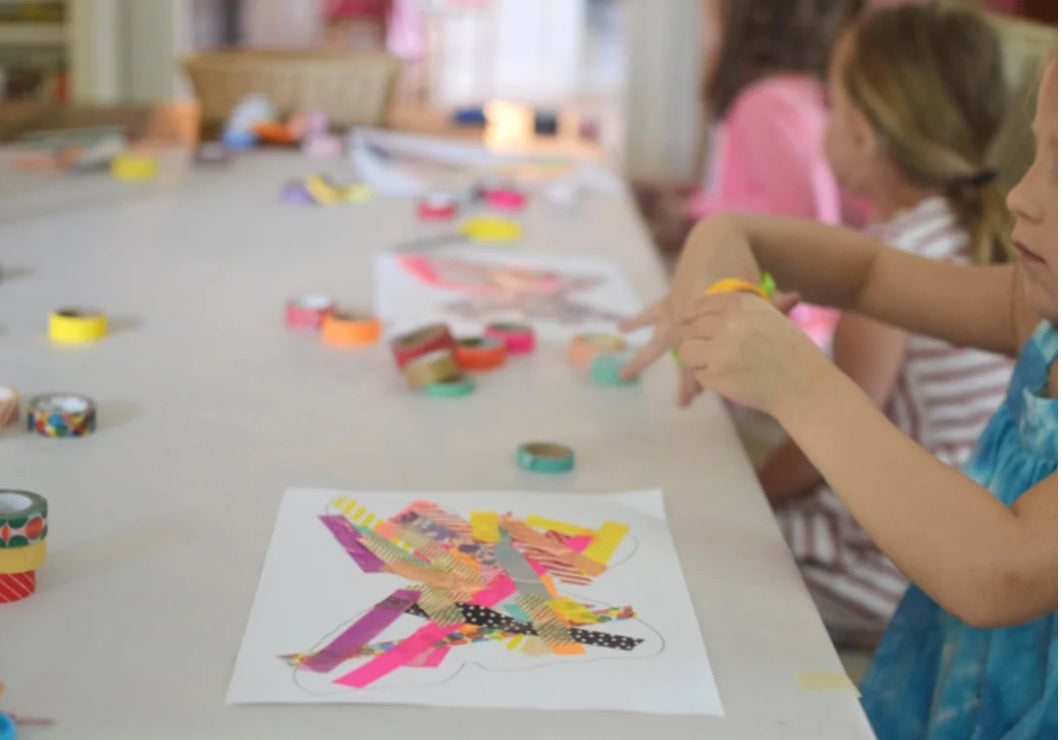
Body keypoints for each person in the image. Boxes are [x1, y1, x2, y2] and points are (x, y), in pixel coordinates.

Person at [619, 44, 1057, 739]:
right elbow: (868, 274)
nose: (1022, 196)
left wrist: (797, 380)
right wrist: (728, 235)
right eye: (1038, 154)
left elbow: (997, 570)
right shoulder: (1039, 313)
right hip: (956, 682)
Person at [756, 4, 1016, 643]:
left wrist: (744, 487)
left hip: (906, 568)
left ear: (863, 134)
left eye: (831, 103)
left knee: (710, 553)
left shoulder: (894, 270)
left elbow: (822, 446)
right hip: (962, 530)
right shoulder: (969, 232)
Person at [637, 0, 864, 347]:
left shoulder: (766, 103)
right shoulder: (797, 92)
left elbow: (794, 217)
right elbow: (762, 194)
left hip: (775, 328)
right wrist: (691, 198)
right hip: (787, 322)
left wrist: (691, 212)